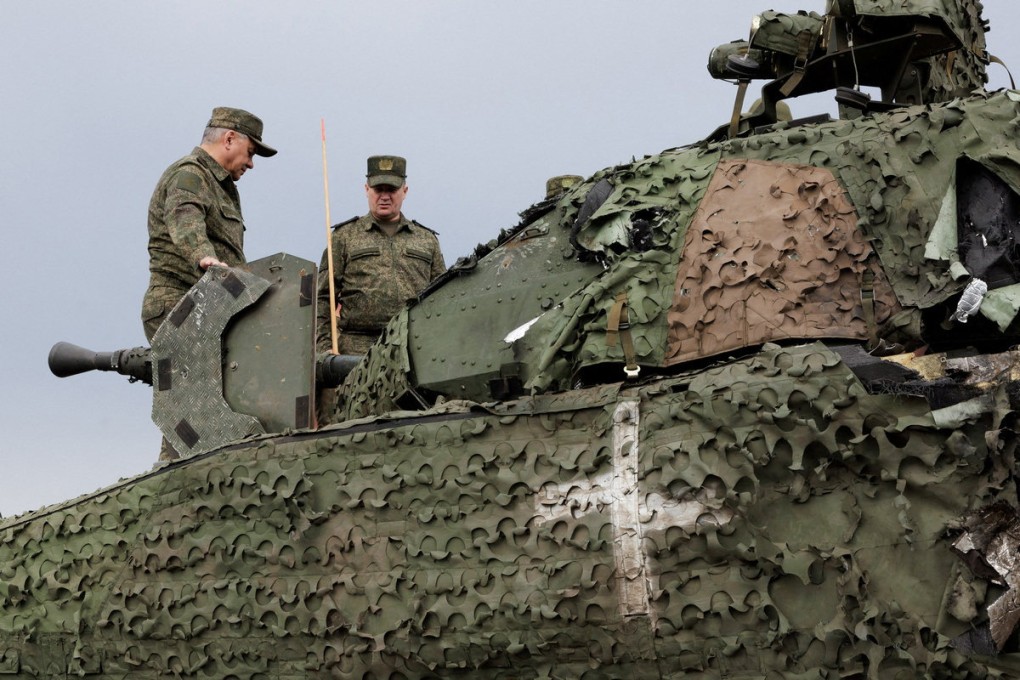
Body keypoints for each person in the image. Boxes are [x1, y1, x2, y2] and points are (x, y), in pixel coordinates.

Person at [141, 106, 277, 342]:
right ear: (229, 139)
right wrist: (203, 256)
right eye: (250, 153)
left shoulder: (220, 186)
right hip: (181, 305)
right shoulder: (191, 173)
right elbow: (184, 216)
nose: (251, 163)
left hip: (209, 306)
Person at [316, 155, 446, 357]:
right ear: (366, 189)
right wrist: (324, 348)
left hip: (412, 348)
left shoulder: (427, 240)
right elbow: (323, 297)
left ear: (405, 191)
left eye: (391, 190)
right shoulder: (344, 237)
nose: (384, 197)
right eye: (378, 190)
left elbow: (442, 297)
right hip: (355, 352)